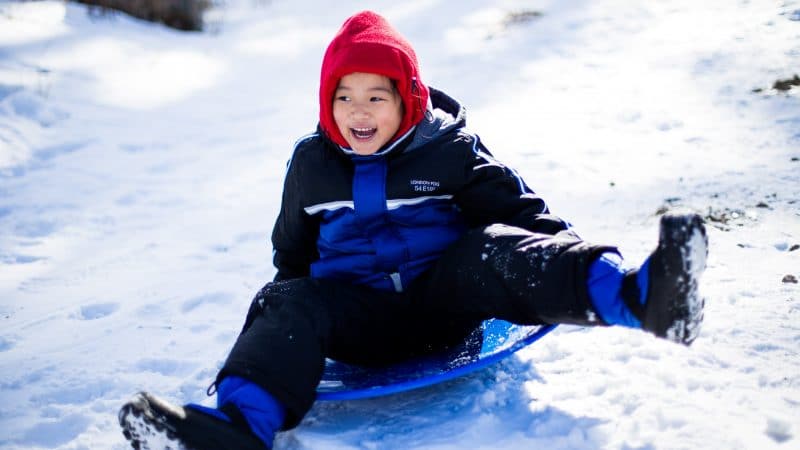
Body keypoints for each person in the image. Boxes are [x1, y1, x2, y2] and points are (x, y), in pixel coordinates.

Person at [118, 10, 707, 450]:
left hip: (444, 304)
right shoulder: (312, 165)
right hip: (358, 321)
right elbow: (291, 252)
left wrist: (560, 259)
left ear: (408, 99)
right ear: (327, 104)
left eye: (377, 95)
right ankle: (239, 427)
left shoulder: (448, 150)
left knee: (493, 248)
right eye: (343, 97)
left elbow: (525, 216)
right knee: (283, 298)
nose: (360, 111)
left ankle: (641, 297)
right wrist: (289, 331)